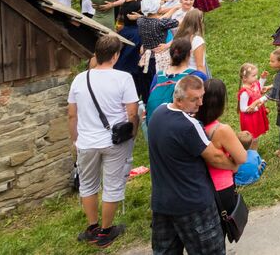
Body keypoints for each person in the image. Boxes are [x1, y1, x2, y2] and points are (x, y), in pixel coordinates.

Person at [147, 74, 236, 255]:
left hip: (162, 203)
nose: (200, 103)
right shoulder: (189, 124)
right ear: (179, 100)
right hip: (193, 204)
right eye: (194, 99)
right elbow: (215, 158)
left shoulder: (158, 113)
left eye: (202, 96)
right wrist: (233, 165)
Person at [68, 34, 138, 248]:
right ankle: (106, 231)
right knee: (112, 184)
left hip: (86, 141)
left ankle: (92, 226)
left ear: (96, 54)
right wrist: (132, 133)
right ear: (116, 56)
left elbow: (72, 114)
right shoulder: (123, 78)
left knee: (87, 184)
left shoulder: (80, 79)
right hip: (113, 141)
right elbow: (132, 112)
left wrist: (75, 139)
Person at [197, 78, 248, 233]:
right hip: (221, 187)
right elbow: (242, 157)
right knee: (221, 232)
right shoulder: (221, 130)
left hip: (200, 187)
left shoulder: (193, 124)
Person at [147, 37, 208, 123]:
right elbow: (206, 102)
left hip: (155, 125)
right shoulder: (196, 76)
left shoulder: (158, 76)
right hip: (183, 124)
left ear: (170, 54)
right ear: (189, 54)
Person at [237, 62, 270, 149]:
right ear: (244, 78)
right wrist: (255, 108)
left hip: (256, 115)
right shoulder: (244, 92)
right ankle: (251, 153)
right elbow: (243, 108)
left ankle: (254, 152)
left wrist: (262, 79)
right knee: (252, 137)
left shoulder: (253, 84)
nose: (256, 77)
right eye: (253, 75)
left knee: (256, 136)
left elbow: (258, 88)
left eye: (256, 75)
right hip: (249, 118)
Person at [176, 7, 208, 74]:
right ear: (200, 21)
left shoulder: (178, 37)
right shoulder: (197, 40)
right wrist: (204, 81)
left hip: (181, 74)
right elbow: (199, 66)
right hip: (194, 75)